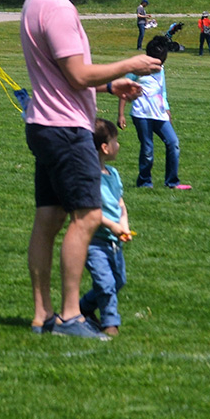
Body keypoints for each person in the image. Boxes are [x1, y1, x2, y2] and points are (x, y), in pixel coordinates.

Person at [21, 0, 153, 339]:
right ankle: (72, 317)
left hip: (43, 124)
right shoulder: (58, 8)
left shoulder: (35, 1)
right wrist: (128, 64)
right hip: (65, 128)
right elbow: (77, 74)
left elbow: (63, 74)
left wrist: (110, 86)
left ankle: (42, 315)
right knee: (89, 216)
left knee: (47, 219)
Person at [117, 34, 191, 190]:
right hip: (141, 114)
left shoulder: (161, 69)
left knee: (173, 143)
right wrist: (121, 114)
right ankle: (144, 182)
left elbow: (161, 91)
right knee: (148, 149)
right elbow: (125, 88)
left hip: (159, 114)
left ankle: (172, 182)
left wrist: (167, 109)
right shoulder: (138, 69)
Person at [80, 119, 132, 337]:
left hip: (114, 241)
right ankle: (110, 323)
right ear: (104, 147)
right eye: (115, 141)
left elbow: (120, 204)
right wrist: (112, 225)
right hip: (95, 242)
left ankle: (84, 307)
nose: (118, 145)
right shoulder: (89, 178)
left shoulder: (113, 174)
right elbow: (90, 211)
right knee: (106, 282)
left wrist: (124, 226)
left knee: (119, 280)